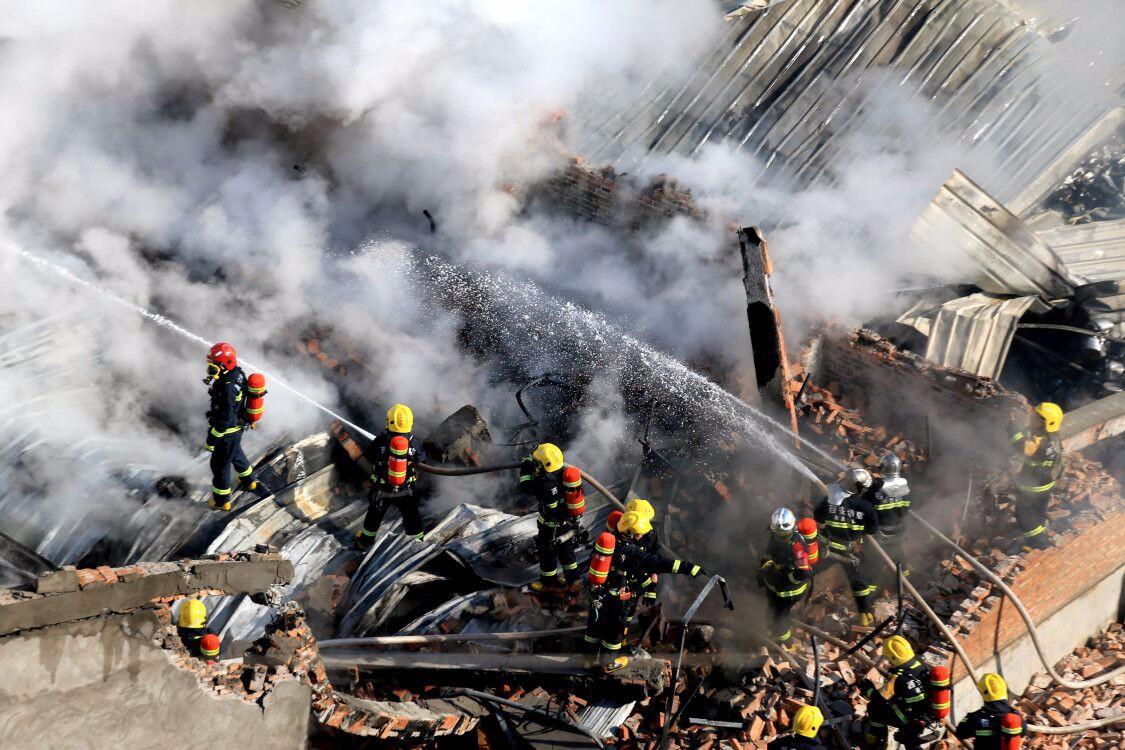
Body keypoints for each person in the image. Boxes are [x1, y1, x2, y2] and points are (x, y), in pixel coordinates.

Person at [584, 510, 706, 670]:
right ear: (630, 532)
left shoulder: (610, 540)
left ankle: (587, 660)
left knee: (594, 628)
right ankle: (608, 663)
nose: (642, 536)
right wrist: (688, 567)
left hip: (599, 595)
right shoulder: (629, 551)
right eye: (639, 534)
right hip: (617, 599)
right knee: (615, 632)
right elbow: (657, 562)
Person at [815, 468, 880, 625]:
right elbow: (872, 529)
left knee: (812, 572)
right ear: (862, 489)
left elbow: (818, 515)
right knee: (859, 583)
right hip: (850, 553)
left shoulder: (830, 499)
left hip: (826, 549)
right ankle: (865, 614)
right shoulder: (866, 507)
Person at [518, 443, 586, 591]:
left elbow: (525, 486)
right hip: (567, 524)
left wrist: (526, 464)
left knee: (547, 555)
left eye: (538, 463)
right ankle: (574, 582)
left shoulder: (545, 484)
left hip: (550, 528)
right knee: (568, 555)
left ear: (544, 465)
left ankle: (548, 584)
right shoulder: (566, 475)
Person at [355, 404, 424, 548]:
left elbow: (368, 457)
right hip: (407, 492)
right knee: (412, 519)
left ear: (389, 422)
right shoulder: (414, 443)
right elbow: (422, 460)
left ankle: (364, 542)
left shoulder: (380, 441)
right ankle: (417, 545)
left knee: (373, 517)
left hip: (382, 490)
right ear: (410, 423)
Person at [204, 342, 258, 511]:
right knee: (236, 455)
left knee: (219, 466)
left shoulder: (228, 389)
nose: (210, 369)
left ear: (223, 364)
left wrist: (211, 440)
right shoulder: (237, 374)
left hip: (227, 432)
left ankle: (222, 501)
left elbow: (224, 420)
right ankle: (249, 481)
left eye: (213, 366)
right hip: (237, 428)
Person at [1010, 402, 1064, 551]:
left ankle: (1039, 543)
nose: (1032, 418)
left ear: (1046, 423)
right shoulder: (1052, 437)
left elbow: (1019, 445)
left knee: (1023, 517)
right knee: (1038, 512)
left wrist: (1011, 424)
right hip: (1045, 485)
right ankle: (1037, 535)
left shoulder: (1041, 443)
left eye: (1036, 418)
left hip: (1032, 488)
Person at [757, 507, 812, 651]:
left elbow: (804, 573)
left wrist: (787, 579)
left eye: (783, 535)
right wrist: (763, 570)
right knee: (771, 613)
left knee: (780, 618)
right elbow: (770, 552)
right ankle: (775, 633)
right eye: (777, 534)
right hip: (776, 585)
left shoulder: (797, 546)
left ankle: (787, 645)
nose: (780, 537)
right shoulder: (775, 535)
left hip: (790, 590)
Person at [861, 635, 930, 749]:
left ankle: (876, 742)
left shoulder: (899, 677)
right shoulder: (920, 663)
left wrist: (867, 689)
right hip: (926, 713)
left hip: (909, 717)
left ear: (893, 657)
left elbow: (880, 699)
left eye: (889, 658)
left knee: (875, 708)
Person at [865, 453, 911, 577]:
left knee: (874, 562)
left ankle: (872, 591)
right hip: (898, 531)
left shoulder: (874, 489)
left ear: (883, 468)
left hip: (880, 535)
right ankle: (906, 582)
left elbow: (865, 509)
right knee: (899, 557)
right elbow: (906, 508)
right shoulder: (904, 486)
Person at [955, 673, 1025, 749]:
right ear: (1004, 690)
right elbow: (1023, 732)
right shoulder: (1016, 715)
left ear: (983, 693)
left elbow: (959, 733)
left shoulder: (975, 718)